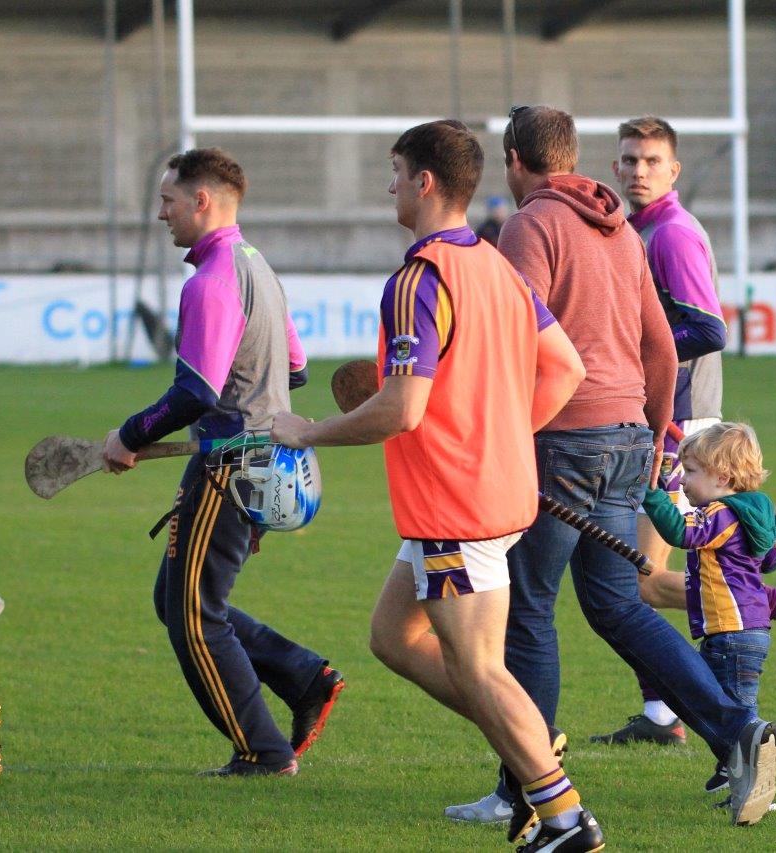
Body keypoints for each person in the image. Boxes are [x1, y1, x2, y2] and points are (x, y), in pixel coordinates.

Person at [445, 105, 776, 830]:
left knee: (529, 608)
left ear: (514, 159)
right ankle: (735, 731)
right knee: (617, 602)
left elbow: (513, 335)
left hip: (562, 440)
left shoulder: (532, 224)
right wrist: (656, 433)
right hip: (628, 434)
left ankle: (524, 787)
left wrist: (500, 427)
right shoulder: (621, 227)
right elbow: (663, 344)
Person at [270, 120, 604, 851]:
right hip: (479, 497)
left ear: (424, 181)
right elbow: (567, 369)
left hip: (459, 507)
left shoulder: (418, 278)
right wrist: (507, 435)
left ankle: (564, 815)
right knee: (395, 636)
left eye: (395, 172)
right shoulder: (496, 267)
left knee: (479, 667)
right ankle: (533, 743)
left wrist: (311, 429)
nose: (389, 186)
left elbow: (402, 407)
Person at [590, 116, 776, 748]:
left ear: (672, 171)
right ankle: (659, 716)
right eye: (630, 160)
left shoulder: (672, 233)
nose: (639, 170)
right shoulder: (637, 228)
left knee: (640, 581)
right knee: (637, 584)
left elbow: (708, 329)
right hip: (666, 422)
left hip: (683, 431)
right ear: (616, 168)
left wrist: (633, 354)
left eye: (652, 161)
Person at [102, 148, 344, 777]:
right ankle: (303, 675)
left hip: (230, 469)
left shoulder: (209, 281)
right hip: (264, 460)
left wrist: (128, 436)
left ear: (201, 201)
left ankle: (263, 753)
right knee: (178, 597)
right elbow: (296, 369)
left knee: (192, 614)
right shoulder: (256, 265)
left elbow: (195, 392)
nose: (162, 215)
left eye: (167, 201)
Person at [642, 422, 776, 795]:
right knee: (722, 702)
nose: (683, 482)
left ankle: (751, 775)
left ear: (723, 477)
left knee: (736, 711)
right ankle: (733, 766)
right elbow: (772, 558)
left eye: (691, 473)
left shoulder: (720, 514)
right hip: (746, 630)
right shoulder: (750, 515)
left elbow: (681, 533)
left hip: (731, 631)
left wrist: (653, 495)